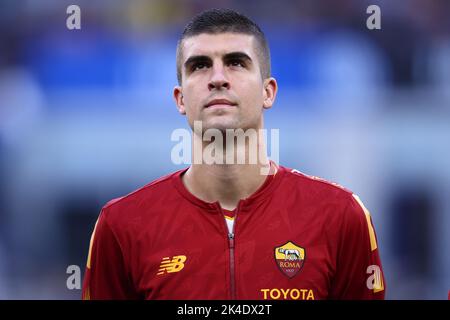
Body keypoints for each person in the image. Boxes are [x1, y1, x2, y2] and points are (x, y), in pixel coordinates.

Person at [82, 8, 385, 300]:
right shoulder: (122, 224)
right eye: (199, 65)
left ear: (269, 92)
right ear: (180, 98)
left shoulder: (340, 216)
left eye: (236, 63)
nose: (217, 78)